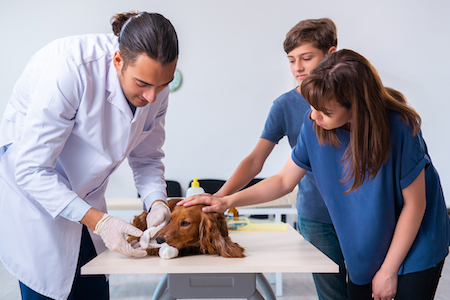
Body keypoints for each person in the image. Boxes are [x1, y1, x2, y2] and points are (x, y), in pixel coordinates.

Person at [179, 49, 450, 300]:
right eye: (312, 106)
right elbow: (284, 181)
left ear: (357, 107)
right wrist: (226, 201)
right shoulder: (314, 127)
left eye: (326, 111)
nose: (314, 116)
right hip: (368, 240)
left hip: (416, 242)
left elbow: (416, 205)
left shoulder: (400, 128)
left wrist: (389, 270)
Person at [0, 11, 178, 300]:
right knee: (51, 288)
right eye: (143, 84)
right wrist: (102, 222)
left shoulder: (154, 85)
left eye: (163, 85)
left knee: (93, 288)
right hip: (35, 200)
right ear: (118, 60)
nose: (152, 98)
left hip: (87, 195)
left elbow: (147, 159)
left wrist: (156, 201)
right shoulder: (68, 69)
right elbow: (32, 171)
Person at [213, 18, 348, 300]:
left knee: (369, 287)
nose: (298, 67)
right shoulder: (285, 106)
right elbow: (255, 162)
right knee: (333, 294)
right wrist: (221, 198)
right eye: (291, 60)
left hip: (359, 210)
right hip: (317, 215)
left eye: (306, 58)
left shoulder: (355, 100)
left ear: (331, 54)